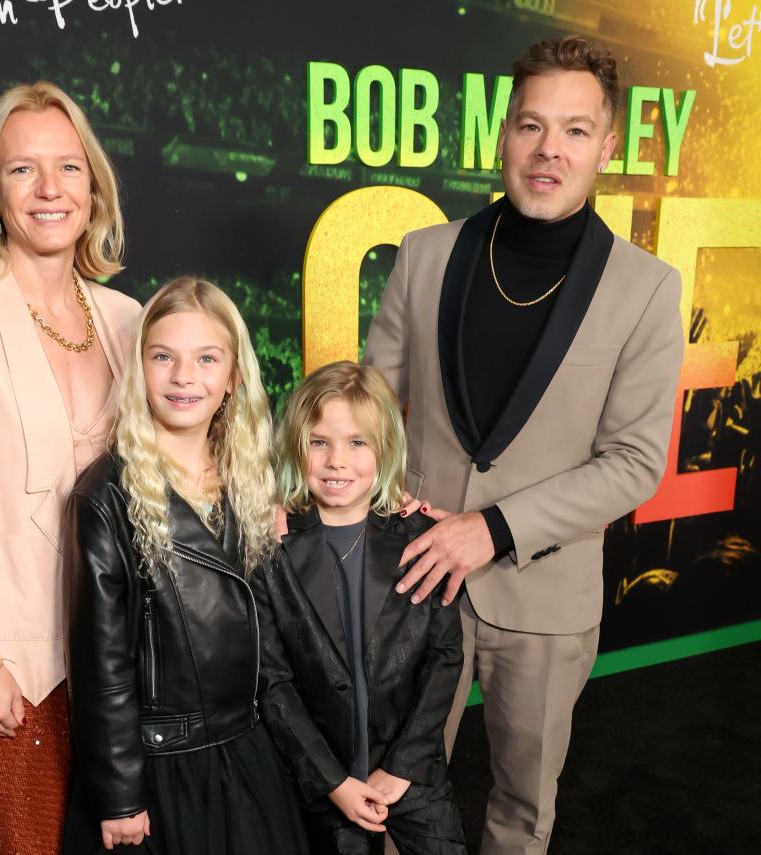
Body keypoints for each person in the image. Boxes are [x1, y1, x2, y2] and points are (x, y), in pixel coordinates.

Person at [363, 35, 685, 854]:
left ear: (607, 146)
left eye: (576, 130)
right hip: (416, 579)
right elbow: (369, 406)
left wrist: (495, 528)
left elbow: (636, 462)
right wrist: (376, 480)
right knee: (389, 801)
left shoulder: (648, 289)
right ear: (503, 133)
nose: (550, 151)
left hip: (544, 600)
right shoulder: (426, 255)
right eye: (532, 126)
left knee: (520, 812)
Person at [0, 81, 140, 854]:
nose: (50, 190)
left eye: (69, 168)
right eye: (22, 171)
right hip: (13, 665)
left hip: (127, 662)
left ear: (93, 187)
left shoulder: (131, 321)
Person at [60, 277, 309, 855]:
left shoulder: (252, 480)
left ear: (233, 377)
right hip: (162, 765)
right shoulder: (106, 496)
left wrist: (400, 507)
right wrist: (121, 795)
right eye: (163, 356)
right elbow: (103, 665)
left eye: (206, 359)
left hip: (247, 753)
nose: (183, 377)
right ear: (139, 369)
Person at [254, 361, 467, 855]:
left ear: (385, 448)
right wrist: (332, 781)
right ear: (296, 446)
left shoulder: (422, 539)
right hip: (326, 779)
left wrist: (403, 765)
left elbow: (445, 657)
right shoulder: (271, 549)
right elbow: (272, 680)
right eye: (318, 441)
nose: (336, 461)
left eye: (357, 443)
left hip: (411, 769)